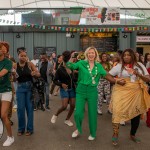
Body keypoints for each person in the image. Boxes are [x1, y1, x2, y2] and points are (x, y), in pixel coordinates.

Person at [66, 47, 125, 141]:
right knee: (78, 113)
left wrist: (116, 81)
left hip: (92, 91)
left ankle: (93, 133)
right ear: (86, 54)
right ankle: (78, 129)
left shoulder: (98, 66)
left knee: (92, 114)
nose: (91, 54)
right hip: (81, 91)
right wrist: (71, 58)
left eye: (92, 53)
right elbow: (70, 66)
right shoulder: (81, 63)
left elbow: (107, 75)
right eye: (89, 53)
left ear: (96, 54)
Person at [109, 49, 150, 145]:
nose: (126, 57)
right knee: (117, 111)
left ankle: (132, 134)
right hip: (121, 91)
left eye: (128, 55)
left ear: (132, 56)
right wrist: (117, 81)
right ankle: (115, 133)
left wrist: (138, 74)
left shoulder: (140, 65)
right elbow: (108, 75)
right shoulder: (119, 66)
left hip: (136, 93)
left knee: (135, 114)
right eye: (124, 55)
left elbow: (148, 78)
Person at [14, 47, 40, 136]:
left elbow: (38, 74)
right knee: (20, 109)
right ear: (18, 56)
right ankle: (21, 129)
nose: (23, 57)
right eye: (21, 56)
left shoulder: (30, 64)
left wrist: (35, 73)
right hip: (20, 88)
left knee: (29, 109)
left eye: (25, 56)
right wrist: (13, 76)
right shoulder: (15, 65)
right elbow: (13, 79)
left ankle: (30, 129)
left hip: (30, 89)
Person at [51, 51, 76, 127]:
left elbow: (74, 78)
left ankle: (67, 119)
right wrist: (61, 84)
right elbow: (54, 80)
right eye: (65, 57)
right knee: (64, 106)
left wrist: (73, 73)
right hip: (64, 89)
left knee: (72, 105)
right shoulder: (60, 69)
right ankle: (55, 115)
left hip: (72, 88)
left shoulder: (72, 67)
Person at [0, 43, 14, 146]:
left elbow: (1, 73)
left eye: (3, 49)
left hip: (6, 91)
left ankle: (10, 137)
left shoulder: (8, 62)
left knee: (4, 115)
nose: (1, 50)